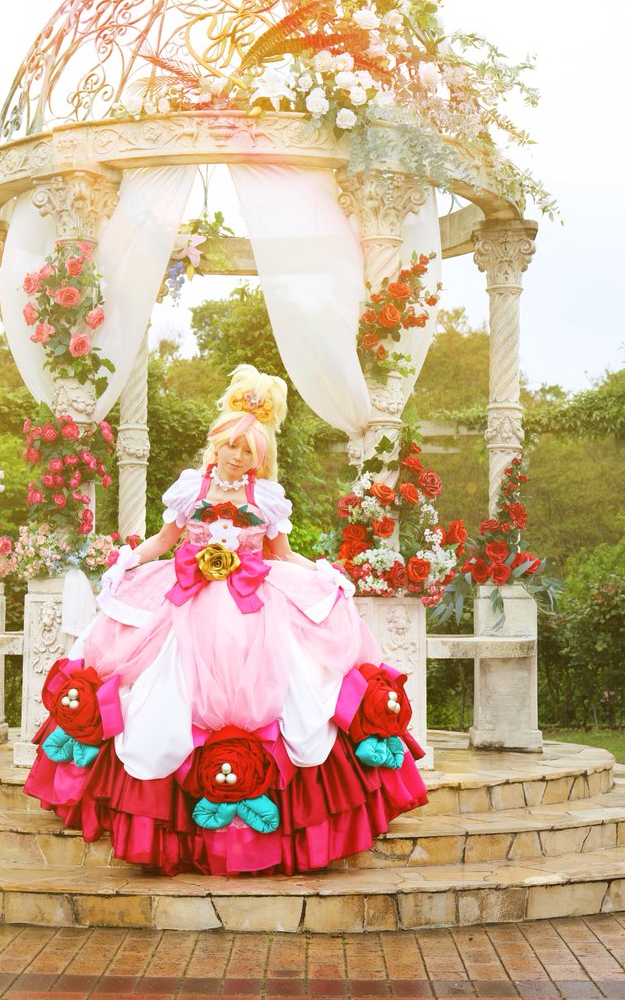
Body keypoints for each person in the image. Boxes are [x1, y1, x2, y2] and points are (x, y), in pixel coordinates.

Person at [24, 364, 427, 875]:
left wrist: (324, 573)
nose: (237, 456)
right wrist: (126, 561)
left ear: (260, 455)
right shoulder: (190, 490)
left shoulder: (267, 499)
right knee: (156, 685)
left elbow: (283, 555)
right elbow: (163, 542)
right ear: (216, 443)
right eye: (231, 445)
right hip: (187, 599)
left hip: (253, 604)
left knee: (288, 687)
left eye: (248, 450)